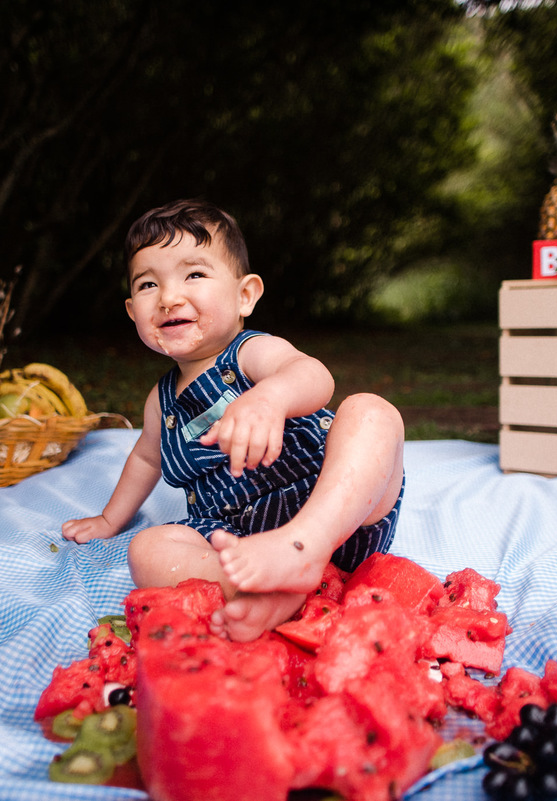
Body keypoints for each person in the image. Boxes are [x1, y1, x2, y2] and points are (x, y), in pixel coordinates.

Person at [62, 199, 405, 642]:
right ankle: (264, 593)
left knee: (371, 411)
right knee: (147, 550)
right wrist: (110, 520)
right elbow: (146, 460)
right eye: (149, 284)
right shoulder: (159, 402)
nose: (169, 297)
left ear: (245, 295)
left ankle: (303, 548)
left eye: (194, 275)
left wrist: (271, 396)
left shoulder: (250, 353)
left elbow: (314, 376)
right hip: (237, 541)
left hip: (338, 517)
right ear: (132, 312)